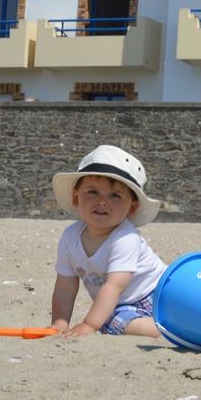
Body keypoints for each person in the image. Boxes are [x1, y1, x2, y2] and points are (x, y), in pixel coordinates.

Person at [49, 145, 166, 338]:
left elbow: (114, 286)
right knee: (112, 322)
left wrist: (89, 324)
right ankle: (168, 326)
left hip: (158, 294)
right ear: (76, 197)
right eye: (92, 192)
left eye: (115, 195)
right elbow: (64, 288)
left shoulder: (125, 238)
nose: (102, 202)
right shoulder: (70, 238)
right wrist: (59, 323)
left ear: (132, 207)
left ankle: (173, 328)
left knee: (103, 323)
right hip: (122, 306)